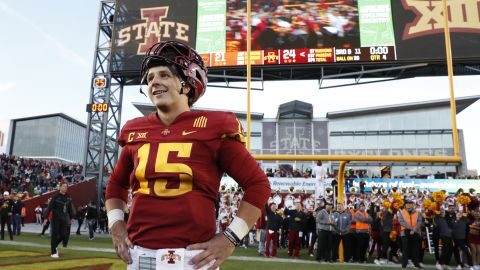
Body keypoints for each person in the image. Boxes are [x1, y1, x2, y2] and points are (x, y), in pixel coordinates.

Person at [105, 40, 271, 270]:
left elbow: (258, 184)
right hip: (139, 255)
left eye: (164, 75)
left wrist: (230, 238)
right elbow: (115, 185)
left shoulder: (213, 126)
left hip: (190, 259)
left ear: (187, 83)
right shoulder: (135, 129)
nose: (155, 82)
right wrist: (116, 226)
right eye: (150, 78)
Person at [43, 182, 76, 258]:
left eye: (66, 186)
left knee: (64, 235)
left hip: (64, 219)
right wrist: (45, 218)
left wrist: (72, 217)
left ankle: (54, 246)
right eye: (63, 186)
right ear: (60, 187)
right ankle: (53, 252)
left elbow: (70, 208)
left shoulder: (68, 197)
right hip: (55, 219)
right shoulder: (55, 197)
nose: (65, 188)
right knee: (54, 235)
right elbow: (49, 208)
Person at [398, 199, 422, 269]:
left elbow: (420, 222)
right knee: (405, 249)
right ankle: (404, 265)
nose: (408, 205)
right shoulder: (402, 212)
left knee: (415, 249)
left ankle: (416, 264)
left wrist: (414, 229)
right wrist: (412, 228)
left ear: (413, 205)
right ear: (405, 205)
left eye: (410, 203)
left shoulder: (418, 213)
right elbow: (401, 222)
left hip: (415, 232)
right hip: (405, 232)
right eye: (407, 204)